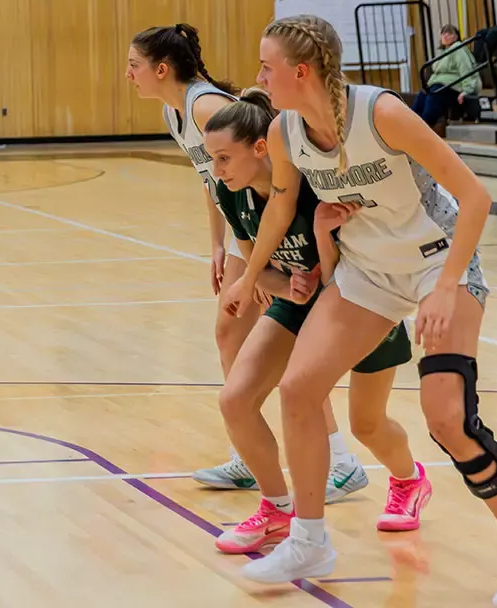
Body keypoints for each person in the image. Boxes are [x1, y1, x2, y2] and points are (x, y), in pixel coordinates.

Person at [229, 15, 497, 607]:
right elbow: (280, 207)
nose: (259, 76)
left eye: (266, 66)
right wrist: (250, 277)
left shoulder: (380, 114)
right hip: (367, 270)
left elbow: (476, 197)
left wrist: (446, 286)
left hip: (439, 261)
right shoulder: (285, 132)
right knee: (299, 389)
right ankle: (309, 540)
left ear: (300, 71)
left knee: (448, 419)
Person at [127, 24, 366, 497]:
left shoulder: (205, 106)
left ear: (160, 68)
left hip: (271, 214)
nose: (128, 75)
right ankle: (249, 450)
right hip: (244, 222)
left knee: (287, 337)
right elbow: (214, 179)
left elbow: (263, 157)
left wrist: (264, 248)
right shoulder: (175, 113)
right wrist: (217, 244)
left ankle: (338, 458)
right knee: (231, 332)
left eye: (133, 66)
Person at [201, 90, 425, 555]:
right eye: (212, 160)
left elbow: (352, 267)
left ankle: (409, 480)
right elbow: (255, 264)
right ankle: (277, 509)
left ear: (260, 148)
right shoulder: (230, 191)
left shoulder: (312, 186)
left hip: (358, 301)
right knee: (236, 400)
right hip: (300, 304)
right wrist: (283, 289)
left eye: (223, 158)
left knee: (367, 424)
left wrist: (322, 238)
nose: (216, 171)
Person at [413, 25, 479, 130]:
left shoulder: (458, 49)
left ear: (456, 37)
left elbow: (467, 70)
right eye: (443, 33)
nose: (446, 35)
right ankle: (411, 128)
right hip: (436, 85)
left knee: (430, 108)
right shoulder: (442, 52)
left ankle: (422, 130)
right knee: (419, 102)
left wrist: (467, 90)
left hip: (451, 87)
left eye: (450, 33)